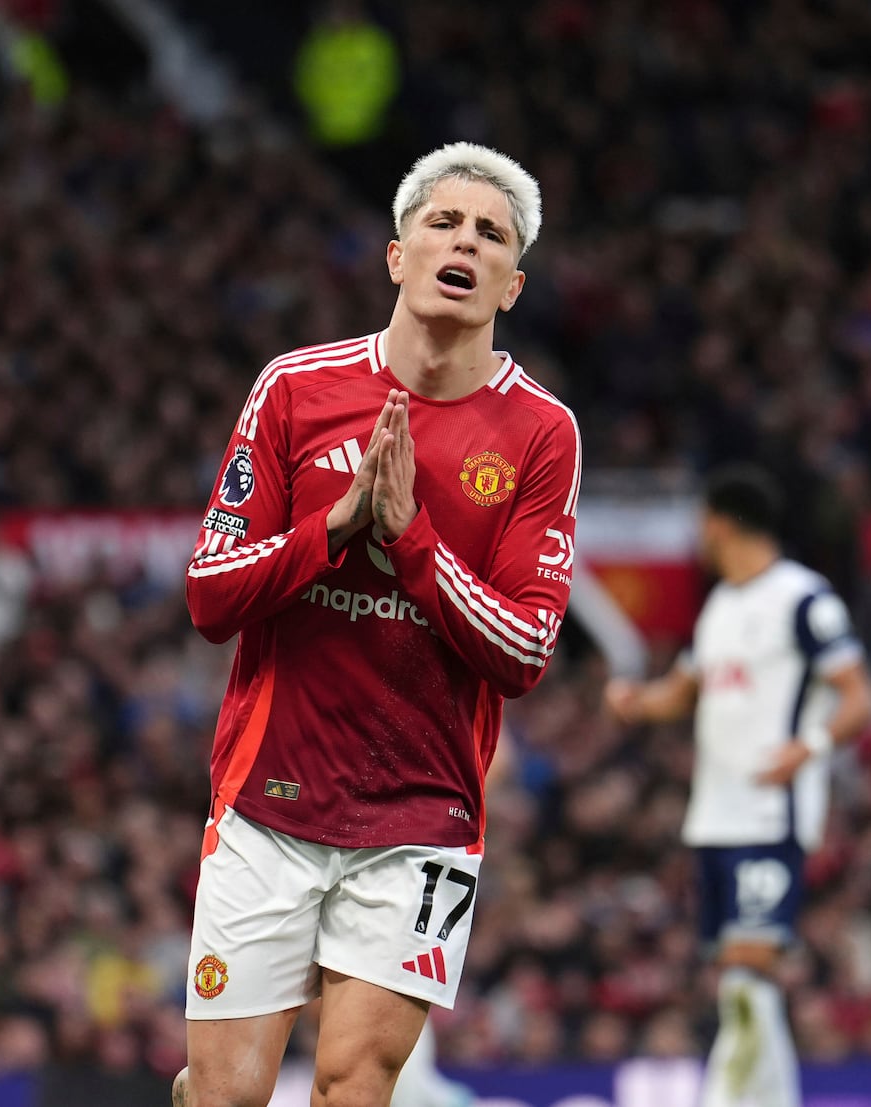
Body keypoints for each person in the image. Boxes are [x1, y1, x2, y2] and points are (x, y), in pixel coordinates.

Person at [175, 141, 581, 1107]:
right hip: (268, 802)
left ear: (511, 285)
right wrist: (335, 528)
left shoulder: (540, 432)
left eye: (491, 234)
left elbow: (526, 648)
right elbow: (209, 595)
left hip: (422, 818)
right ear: (398, 255)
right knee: (227, 1095)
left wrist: (408, 541)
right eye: (443, 221)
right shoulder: (295, 389)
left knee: (354, 1086)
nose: (465, 241)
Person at [604, 465, 871, 1107]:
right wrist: (638, 703)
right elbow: (685, 691)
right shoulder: (721, 605)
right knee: (736, 979)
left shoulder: (804, 599)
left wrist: (808, 748)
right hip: (713, 816)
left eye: (702, 521)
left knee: (748, 975)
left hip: (768, 812)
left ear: (721, 522)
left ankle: (725, 1099)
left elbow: (859, 696)